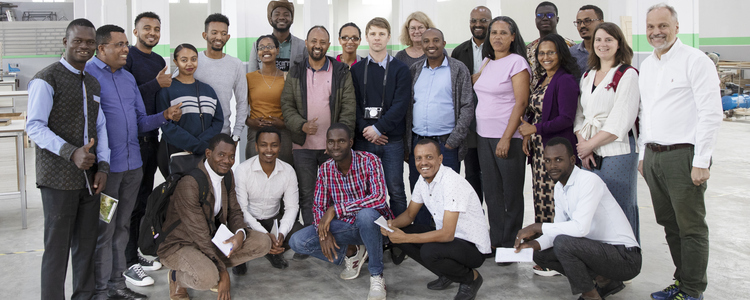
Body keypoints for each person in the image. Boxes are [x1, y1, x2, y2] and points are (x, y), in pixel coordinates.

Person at [85, 24, 181, 300]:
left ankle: (118, 285)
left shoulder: (127, 79)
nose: (126, 49)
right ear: (101, 48)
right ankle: (99, 289)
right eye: (119, 44)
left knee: (123, 226)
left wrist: (165, 114)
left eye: (126, 43)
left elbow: (140, 122)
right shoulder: (88, 76)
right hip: (106, 171)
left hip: (133, 167)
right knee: (104, 228)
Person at [639, 4, 722, 300]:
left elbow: (711, 113)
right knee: (669, 224)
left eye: (662, 26)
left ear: (676, 27)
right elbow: (645, 111)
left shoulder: (695, 61)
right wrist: (641, 155)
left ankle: (693, 290)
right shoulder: (648, 65)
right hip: (654, 157)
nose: (656, 32)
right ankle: (681, 281)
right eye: (650, 27)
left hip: (684, 156)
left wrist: (701, 161)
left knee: (691, 227)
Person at [26, 18, 110, 300]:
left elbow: (100, 127)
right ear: (66, 42)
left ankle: (83, 296)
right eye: (78, 41)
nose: (84, 46)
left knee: (85, 246)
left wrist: (103, 167)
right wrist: (70, 152)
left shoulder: (93, 83)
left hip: (89, 180)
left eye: (89, 42)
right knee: (57, 248)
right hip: (57, 179)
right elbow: (34, 126)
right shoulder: (46, 78)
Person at [515, 137, 641, 300]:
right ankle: (604, 280)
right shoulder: (560, 187)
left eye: (558, 160)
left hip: (625, 257)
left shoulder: (589, 180)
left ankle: (590, 295)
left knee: (563, 242)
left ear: (572, 160)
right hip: (599, 252)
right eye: (547, 161)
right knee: (539, 254)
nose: (552, 166)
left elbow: (580, 228)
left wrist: (537, 227)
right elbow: (558, 229)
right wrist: (532, 245)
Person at [158, 134, 272, 300]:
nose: (227, 160)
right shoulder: (190, 183)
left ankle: (208, 266)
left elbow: (234, 211)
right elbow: (199, 233)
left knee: (263, 242)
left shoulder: (227, 176)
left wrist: (240, 233)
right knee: (208, 278)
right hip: (180, 244)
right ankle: (177, 278)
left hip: (209, 238)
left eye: (231, 156)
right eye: (221, 155)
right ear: (208, 153)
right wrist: (223, 273)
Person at [289, 123, 393, 300]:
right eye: (331, 142)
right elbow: (318, 207)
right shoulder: (325, 169)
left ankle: (376, 275)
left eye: (341, 141)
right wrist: (324, 232)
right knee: (297, 241)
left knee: (366, 215)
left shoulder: (370, 160)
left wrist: (337, 209)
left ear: (351, 142)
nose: (335, 146)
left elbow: (379, 198)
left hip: (375, 228)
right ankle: (351, 251)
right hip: (346, 227)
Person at [383, 139, 490, 300]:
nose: (423, 162)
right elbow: (410, 214)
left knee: (428, 251)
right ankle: (447, 273)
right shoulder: (423, 180)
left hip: (471, 246)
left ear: (440, 159)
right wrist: (391, 225)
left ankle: (471, 278)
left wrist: (406, 237)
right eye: (419, 158)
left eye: (429, 157)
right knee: (401, 233)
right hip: (451, 240)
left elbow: (447, 234)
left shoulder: (451, 182)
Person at [280, 26, 356, 228]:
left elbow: (348, 108)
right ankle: (311, 236)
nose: (317, 46)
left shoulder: (340, 71)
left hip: (332, 148)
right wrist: (301, 125)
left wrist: (339, 142)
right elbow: (286, 105)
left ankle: (336, 235)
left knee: (336, 193)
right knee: (308, 193)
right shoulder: (295, 71)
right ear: (306, 43)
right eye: (314, 41)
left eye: (322, 42)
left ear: (328, 45)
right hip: (303, 146)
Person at [574, 22, 640, 242]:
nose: (603, 44)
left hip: (617, 151)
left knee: (619, 207)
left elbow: (621, 120)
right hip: (590, 151)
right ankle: (603, 261)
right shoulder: (588, 76)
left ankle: (625, 260)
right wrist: (584, 145)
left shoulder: (626, 74)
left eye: (609, 39)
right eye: (599, 40)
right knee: (596, 209)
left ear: (619, 43)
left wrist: (590, 145)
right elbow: (579, 115)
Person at [472, 16, 531, 259]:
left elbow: (522, 103)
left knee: (511, 193)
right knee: (493, 191)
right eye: (493, 32)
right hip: (483, 135)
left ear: (513, 36)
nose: (497, 37)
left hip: (507, 137)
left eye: (503, 33)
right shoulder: (487, 61)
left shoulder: (517, 63)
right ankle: (495, 241)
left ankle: (510, 244)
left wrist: (508, 137)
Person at [406, 28, 474, 225]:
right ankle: (423, 234)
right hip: (419, 142)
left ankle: (446, 237)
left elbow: (467, 106)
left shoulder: (458, 69)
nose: (431, 45)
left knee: (447, 193)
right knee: (419, 191)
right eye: (426, 41)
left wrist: (453, 141)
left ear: (444, 43)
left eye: (436, 40)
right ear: (422, 44)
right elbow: (409, 108)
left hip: (446, 144)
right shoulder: (415, 70)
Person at [122, 11, 169, 286]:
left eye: (157, 29)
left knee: (142, 201)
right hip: (132, 141)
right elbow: (124, 95)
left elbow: (158, 97)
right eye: (147, 28)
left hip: (152, 137)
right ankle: (127, 261)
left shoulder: (159, 60)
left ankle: (136, 253)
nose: (152, 33)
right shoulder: (127, 57)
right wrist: (156, 84)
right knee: (129, 204)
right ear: (136, 30)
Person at [350, 17, 411, 219]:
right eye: (373, 34)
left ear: (389, 37)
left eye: (381, 34)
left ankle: (399, 241)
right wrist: (368, 131)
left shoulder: (401, 69)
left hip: (391, 141)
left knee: (396, 190)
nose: (377, 38)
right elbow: (354, 105)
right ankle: (373, 237)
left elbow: (400, 105)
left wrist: (379, 129)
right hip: (364, 140)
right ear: (366, 37)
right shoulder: (356, 70)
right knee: (365, 192)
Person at [518, 33, 580, 227]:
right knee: (541, 197)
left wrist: (534, 128)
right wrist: (528, 134)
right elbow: (535, 110)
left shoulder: (565, 80)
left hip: (556, 149)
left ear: (560, 54)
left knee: (555, 199)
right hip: (539, 149)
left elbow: (566, 119)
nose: (545, 57)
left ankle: (558, 242)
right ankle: (544, 238)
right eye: (541, 53)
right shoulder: (543, 79)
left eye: (551, 52)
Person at [235, 126, 303, 270]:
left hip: (273, 220)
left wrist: (281, 234)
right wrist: (265, 235)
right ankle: (241, 257)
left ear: (280, 146)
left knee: (298, 233)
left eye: (274, 145)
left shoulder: (288, 170)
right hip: (249, 222)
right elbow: (242, 210)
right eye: (263, 145)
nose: (269, 150)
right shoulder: (242, 170)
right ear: (256, 146)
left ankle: (274, 251)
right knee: (236, 227)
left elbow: (292, 207)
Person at [156, 44, 224, 178]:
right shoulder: (166, 90)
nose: (189, 63)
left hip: (203, 152)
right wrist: (193, 144)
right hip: (175, 153)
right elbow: (166, 125)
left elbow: (218, 120)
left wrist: (200, 145)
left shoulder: (208, 90)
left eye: (193, 59)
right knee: (178, 195)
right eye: (184, 60)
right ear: (176, 62)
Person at [451, 6, 492, 203]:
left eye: (483, 20)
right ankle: (477, 216)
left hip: (494, 121)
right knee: (472, 173)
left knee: (492, 172)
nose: (478, 24)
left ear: (490, 22)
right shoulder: (459, 51)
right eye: (474, 20)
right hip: (469, 123)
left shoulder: (499, 50)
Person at [193, 13, 248, 142]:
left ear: (228, 37)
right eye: (214, 32)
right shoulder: (193, 60)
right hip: (194, 134)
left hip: (222, 134)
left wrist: (236, 135)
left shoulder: (236, 64)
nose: (219, 37)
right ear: (204, 35)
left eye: (223, 33)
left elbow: (242, 102)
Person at [245, 34, 293, 165]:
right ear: (257, 53)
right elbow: (241, 108)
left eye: (270, 46)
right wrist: (251, 122)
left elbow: (294, 109)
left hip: (282, 133)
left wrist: (282, 124)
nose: (265, 50)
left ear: (277, 50)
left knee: (283, 174)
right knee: (254, 175)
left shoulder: (287, 77)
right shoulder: (248, 78)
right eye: (261, 47)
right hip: (256, 132)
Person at [526, 2, 577, 86]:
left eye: (550, 15)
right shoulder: (528, 49)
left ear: (557, 19)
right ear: (535, 20)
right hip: (536, 96)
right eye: (540, 15)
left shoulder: (570, 46)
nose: (545, 18)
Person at [249, 0, 307, 73]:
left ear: (292, 19)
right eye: (277, 14)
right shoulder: (257, 46)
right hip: (267, 84)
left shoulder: (302, 46)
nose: (281, 17)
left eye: (286, 15)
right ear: (270, 19)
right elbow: (252, 76)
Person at [570, 5, 604, 75]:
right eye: (579, 22)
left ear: (601, 22)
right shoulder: (571, 54)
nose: (582, 25)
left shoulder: (609, 51)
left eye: (587, 21)